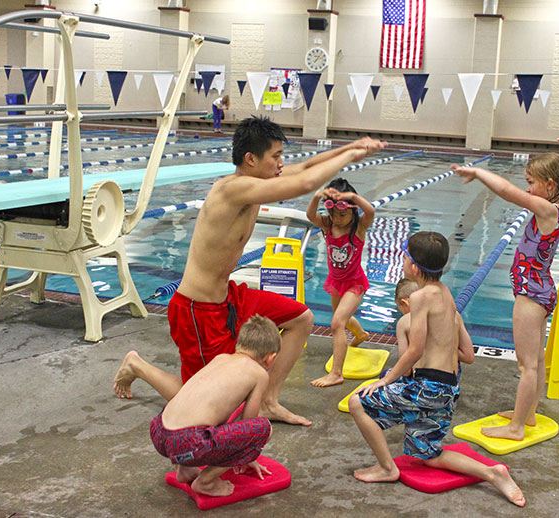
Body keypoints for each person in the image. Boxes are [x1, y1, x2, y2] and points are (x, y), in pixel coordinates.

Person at [114, 116, 387, 426]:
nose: (282, 163)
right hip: (198, 310)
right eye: (276, 156)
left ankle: (269, 400)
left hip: (230, 297)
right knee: (206, 405)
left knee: (302, 318)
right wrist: (352, 157)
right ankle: (137, 365)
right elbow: (307, 183)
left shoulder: (258, 180)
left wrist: (350, 145)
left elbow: (308, 168)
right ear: (251, 159)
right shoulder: (232, 190)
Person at [347, 232, 523, 506]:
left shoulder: (420, 299)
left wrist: (387, 380)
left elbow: (414, 350)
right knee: (426, 454)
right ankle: (492, 472)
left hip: (426, 387)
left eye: (405, 256)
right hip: (447, 388)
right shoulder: (445, 293)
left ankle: (386, 468)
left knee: (357, 402)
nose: (403, 260)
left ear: (414, 267)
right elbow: (464, 352)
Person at [452, 153, 559, 442]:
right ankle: (528, 413)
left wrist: (479, 174)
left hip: (531, 296)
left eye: (531, 182)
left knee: (526, 364)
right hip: (539, 290)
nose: (528, 188)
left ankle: (516, 427)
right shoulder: (553, 209)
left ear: (550, 183)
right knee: (536, 360)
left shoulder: (547, 210)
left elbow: (508, 192)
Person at [150, 316, 280, 497]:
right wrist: (248, 454)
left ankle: (184, 469)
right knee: (264, 429)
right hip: (187, 443)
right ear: (270, 359)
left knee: (210, 414)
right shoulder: (259, 373)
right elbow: (250, 423)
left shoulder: (221, 358)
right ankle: (206, 482)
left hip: (159, 431)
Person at [306, 178, 374, 387]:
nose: (337, 219)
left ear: (352, 211)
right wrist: (317, 197)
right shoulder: (327, 225)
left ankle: (336, 373)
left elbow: (370, 211)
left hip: (355, 283)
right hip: (336, 282)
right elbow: (310, 216)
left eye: (342, 214)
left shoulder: (359, 228)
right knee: (341, 318)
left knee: (337, 323)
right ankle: (361, 334)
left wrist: (352, 197)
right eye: (334, 214)